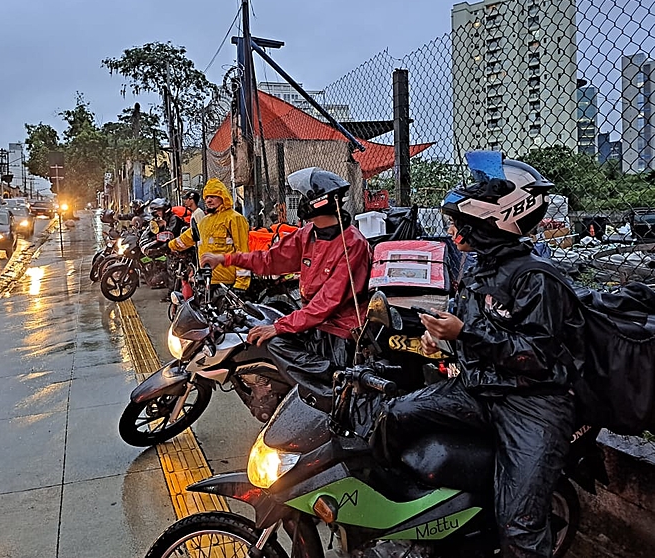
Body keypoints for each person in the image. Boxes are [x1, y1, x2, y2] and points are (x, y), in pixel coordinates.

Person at [371, 152, 581, 558]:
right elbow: (471, 329)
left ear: (492, 219)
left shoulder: (536, 277)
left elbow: (536, 355)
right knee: (389, 416)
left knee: (519, 529)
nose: (452, 230)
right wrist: (444, 340)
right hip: (480, 388)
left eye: (459, 223)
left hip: (533, 403)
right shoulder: (480, 266)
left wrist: (466, 332)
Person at [201, 167, 371, 407]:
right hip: (312, 322)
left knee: (274, 342)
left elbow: (327, 303)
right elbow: (270, 260)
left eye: (303, 198)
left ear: (317, 203)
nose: (300, 203)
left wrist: (279, 327)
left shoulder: (352, 244)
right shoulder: (308, 234)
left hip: (338, 333)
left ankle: (333, 392)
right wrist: (226, 259)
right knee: (257, 329)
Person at [168, 179, 250, 293]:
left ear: (223, 197)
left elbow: (243, 251)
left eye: (213, 196)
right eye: (206, 197)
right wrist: (170, 245)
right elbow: (189, 237)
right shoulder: (205, 221)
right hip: (206, 280)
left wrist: (241, 284)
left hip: (227, 283)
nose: (209, 200)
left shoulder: (234, 218)